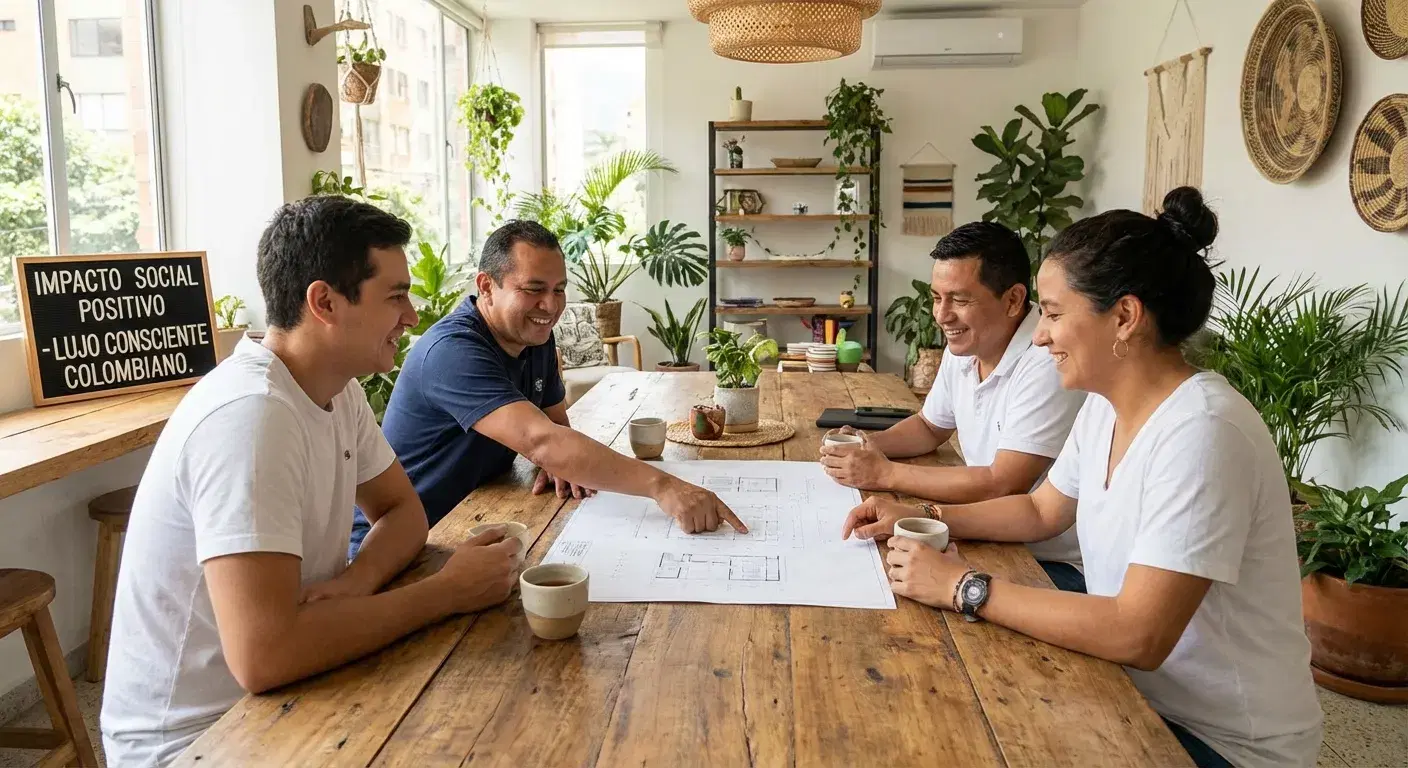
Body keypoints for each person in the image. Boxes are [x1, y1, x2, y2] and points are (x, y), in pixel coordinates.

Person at [845, 188, 1322, 768]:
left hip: (1215, 741)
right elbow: (1040, 510)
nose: (1039, 335)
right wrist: (926, 517)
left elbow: (1137, 633)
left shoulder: (1203, 431)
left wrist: (963, 586)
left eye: (1052, 314)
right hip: (1127, 691)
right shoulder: (1105, 405)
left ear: (1124, 317)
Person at [101, 197, 523, 766]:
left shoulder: (336, 388)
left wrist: (357, 582)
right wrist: (446, 592)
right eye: (395, 296)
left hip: (289, 689)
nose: (412, 315)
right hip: (195, 740)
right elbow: (265, 656)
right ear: (324, 302)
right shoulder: (252, 417)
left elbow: (404, 513)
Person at [350, 219, 743, 558]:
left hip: (478, 518)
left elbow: (556, 429)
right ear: (486, 286)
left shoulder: (534, 337)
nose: (550, 306)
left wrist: (557, 460)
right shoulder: (452, 350)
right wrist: (663, 486)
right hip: (397, 547)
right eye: (533, 289)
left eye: (558, 289)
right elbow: (543, 441)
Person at [822, 222, 1087, 591]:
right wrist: (866, 447)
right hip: (985, 536)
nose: (942, 315)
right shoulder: (969, 343)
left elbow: (1003, 483)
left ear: (1013, 300)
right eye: (937, 298)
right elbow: (930, 427)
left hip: (1046, 563)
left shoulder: (1048, 361)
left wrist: (884, 474)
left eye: (960, 300)